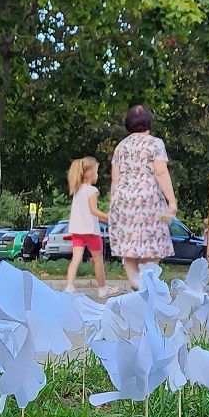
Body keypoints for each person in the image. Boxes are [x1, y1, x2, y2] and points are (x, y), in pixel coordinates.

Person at [107, 104, 176, 283]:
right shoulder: (155, 143)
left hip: (123, 201)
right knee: (152, 247)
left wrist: (114, 205)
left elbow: (115, 179)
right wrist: (171, 201)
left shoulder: (120, 147)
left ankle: (136, 284)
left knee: (129, 251)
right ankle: (147, 286)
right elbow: (160, 172)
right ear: (149, 122)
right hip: (149, 200)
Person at [63, 156, 108, 295]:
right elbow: (93, 211)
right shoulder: (92, 190)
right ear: (90, 173)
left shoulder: (77, 190)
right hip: (91, 231)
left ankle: (69, 286)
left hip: (77, 230)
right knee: (98, 260)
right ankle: (102, 289)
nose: (98, 175)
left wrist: (103, 219)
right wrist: (110, 217)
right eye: (97, 171)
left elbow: (84, 213)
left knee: (76, 258)